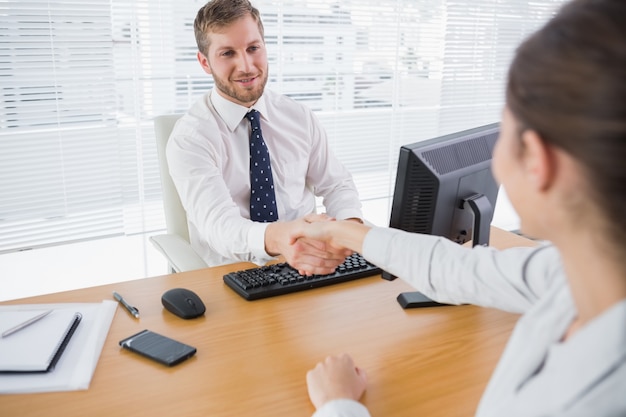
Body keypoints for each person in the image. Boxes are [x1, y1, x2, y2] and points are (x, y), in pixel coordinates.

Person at [293, 0, 626, 415]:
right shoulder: (578, 274)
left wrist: (339, 405)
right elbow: (459, 270)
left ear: (538, 161)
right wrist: (344, 232)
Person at [167, 0, 362, 272]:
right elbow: (220, 227)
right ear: (205, 62)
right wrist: (283, 237)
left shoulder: (298, 117)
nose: (246, 66)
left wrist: (349, 230)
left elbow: (336, 184)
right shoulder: (191, 138)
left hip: (307, 265)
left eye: (253, 48)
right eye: (227, 53)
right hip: (231, 273)